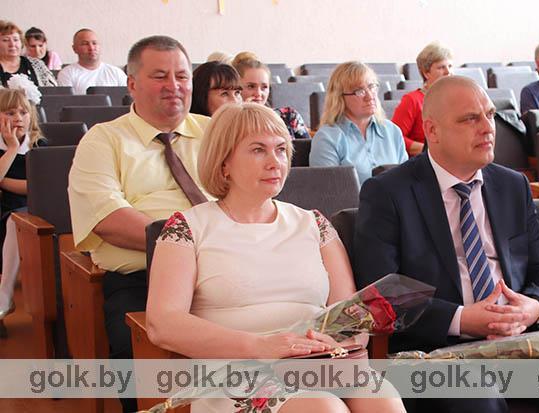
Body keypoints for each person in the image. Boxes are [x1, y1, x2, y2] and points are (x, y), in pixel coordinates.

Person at [147, 103, 405, 413]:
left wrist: (341, 341)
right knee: (324, 409)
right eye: (258, 150)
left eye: (281, 150)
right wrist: (260, 346)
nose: (275, 162)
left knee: (383, 400)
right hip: (236, 368)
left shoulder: (315, 224)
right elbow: (163, 323)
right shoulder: (187, 227)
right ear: (223, 163)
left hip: (318, 364)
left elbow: (349, 314)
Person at [354, 76, 539, 413]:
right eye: (470, 119)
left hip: (520, 341)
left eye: (489, 115)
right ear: (432, 131)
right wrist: (462, 319)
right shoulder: (388, 193)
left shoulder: (513, 185)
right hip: (435, 352)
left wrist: (533, 308)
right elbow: (381, 293)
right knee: (476, 396)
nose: (488, 128)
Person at [68, 35, 209, 413]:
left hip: (226, 268)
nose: (174, 85)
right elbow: (108, 220)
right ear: (131, 83)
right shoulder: (104, 140)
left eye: (182, 76)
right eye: (160, 76)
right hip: (145, 278)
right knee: (137, 356)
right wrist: (190, 247)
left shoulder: (215, 132)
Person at [310, 61, 407, 185]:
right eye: (359, 91)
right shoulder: (327, 138)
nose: (370, 96)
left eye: (372, 87)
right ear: (340, 98)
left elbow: (406, 181)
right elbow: (329, 191)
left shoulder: (392, 131)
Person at [0, 88, 46, 338]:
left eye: (23, 112)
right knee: (14, 220)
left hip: (35, 209)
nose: (18, 118)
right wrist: (10, 148)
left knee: (18, 221)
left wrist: (4, 183)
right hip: (6, 210)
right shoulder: (4, 148)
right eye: (9, 113)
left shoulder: (39, 145)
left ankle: (4, 296)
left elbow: (39, 185)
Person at [392, 42, 452, 156]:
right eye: (441, 67)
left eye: (450, 66)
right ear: (426, 73)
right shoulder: (411, 100)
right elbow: (394, 137)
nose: (448, 72)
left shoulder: (455, 100)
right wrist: (429, 151)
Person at [232, 52, 310, 140]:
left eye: (264, 87)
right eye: (251, 86)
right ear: (236, 89)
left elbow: (308, 147)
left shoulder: (290, 116)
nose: (258, 93)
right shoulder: (230, 123)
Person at [57, 29, 127, 94]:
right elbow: (66, 101)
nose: (91, 48)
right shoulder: (67, 74)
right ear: (74, 48)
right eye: (85, 44)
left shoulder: (116, 73)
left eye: (94, 43)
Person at [0, 20, 55, 87]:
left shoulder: (37, 64)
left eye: (16, 40)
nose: (12, 44)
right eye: (5, 40)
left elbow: (53, 90)